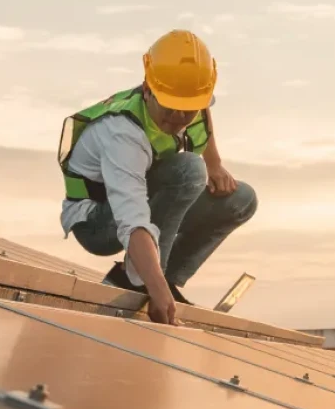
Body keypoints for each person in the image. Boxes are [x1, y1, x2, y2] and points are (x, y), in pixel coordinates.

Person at [56, 29, 258, 325]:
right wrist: (154, 287)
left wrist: (215, 162)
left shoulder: (188, 97)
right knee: (188, 169)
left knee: (241, 199)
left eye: (187, 110)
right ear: (148, 89)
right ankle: (136, 280)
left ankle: (169, 282)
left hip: (146, 200)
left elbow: (202, 111)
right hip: (98, 221)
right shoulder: (122, 132)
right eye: (170, 107)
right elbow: (132, 218)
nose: (178, 118)